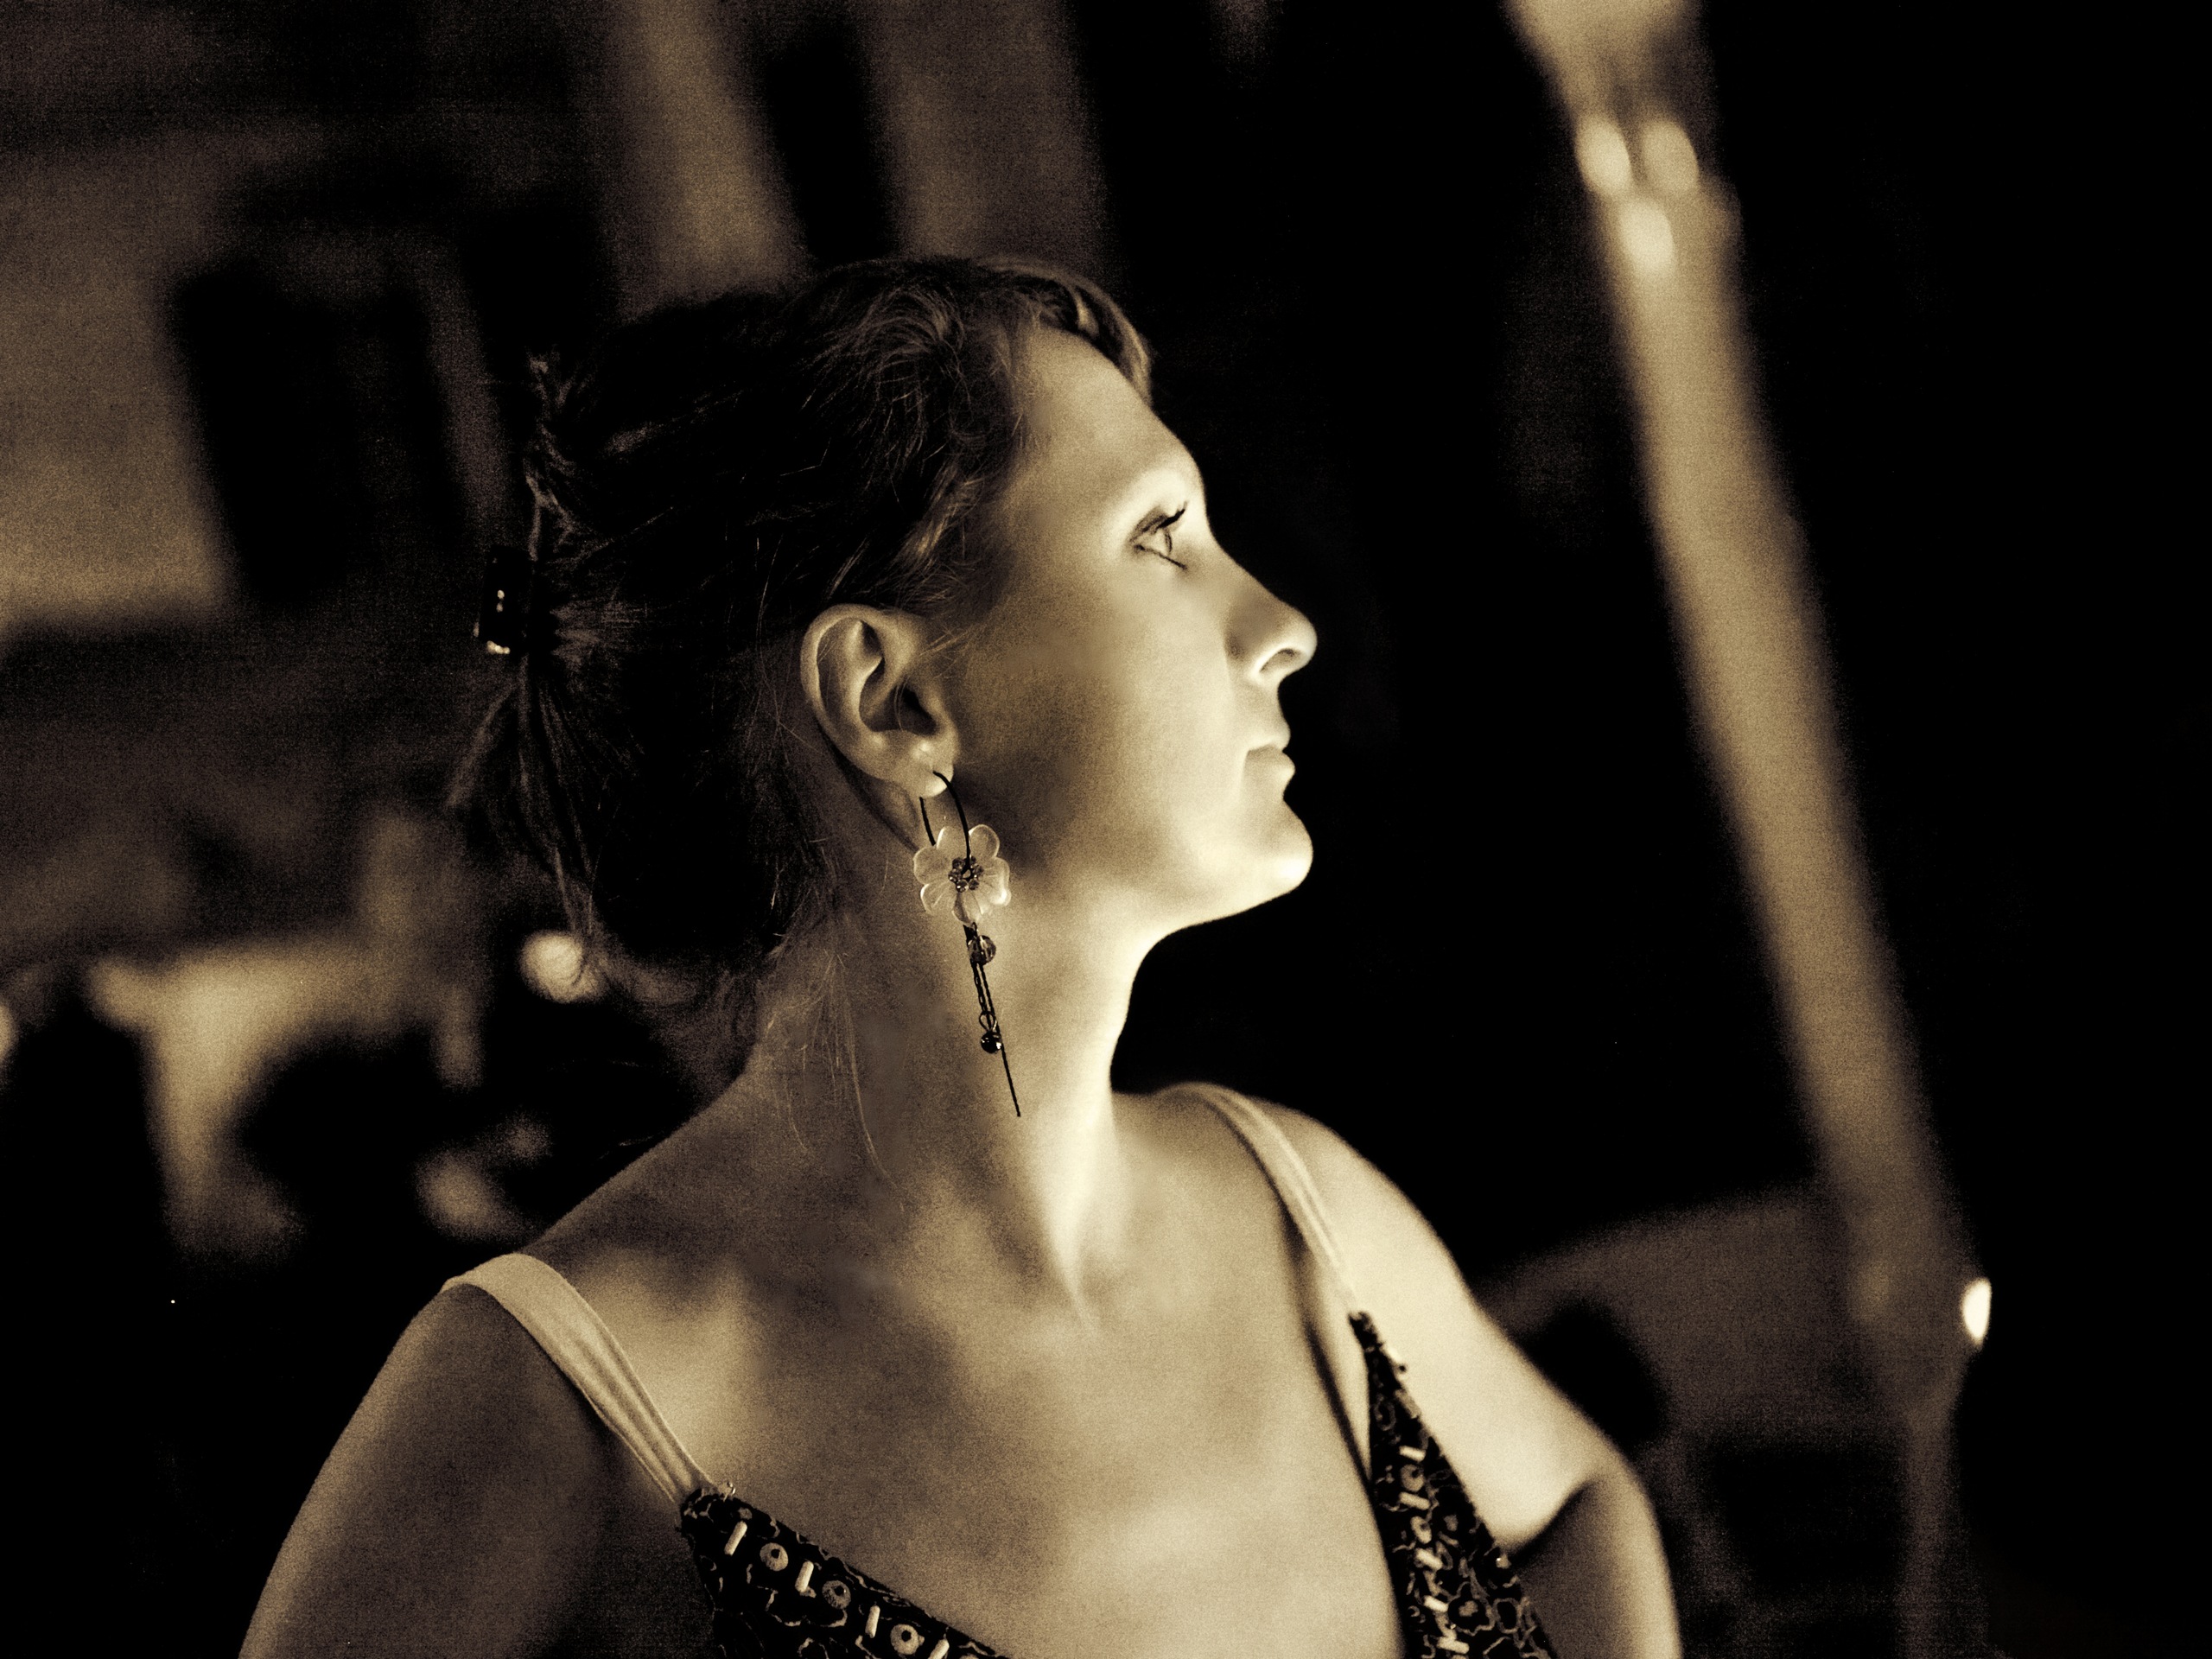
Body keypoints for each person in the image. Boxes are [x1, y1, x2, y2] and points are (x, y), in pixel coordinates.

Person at [241, 257, 1680, 1659]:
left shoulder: (1304, 1217)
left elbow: (1580, 1507)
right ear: (892, 701)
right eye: (1161, 537)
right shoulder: (566, 1396)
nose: (1282, 627)